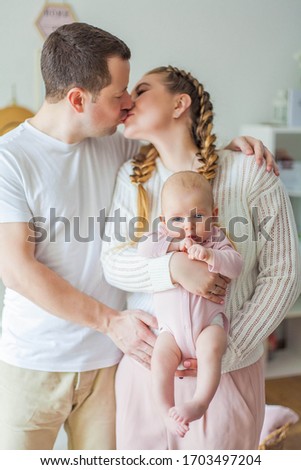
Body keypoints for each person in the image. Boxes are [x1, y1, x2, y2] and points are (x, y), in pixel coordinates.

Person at [0, 22, 279, 450]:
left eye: (134, 91)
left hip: (113, 362)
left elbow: (184, 153)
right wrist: (119, 315)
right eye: (120, 95)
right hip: (39, 360)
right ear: (78, 99)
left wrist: (242, 146)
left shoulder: (118, 144)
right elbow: (17, 270)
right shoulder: (12, 159)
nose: (128, 103)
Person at [101, 66, 301, 449]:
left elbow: (283, 273)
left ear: (180, 103)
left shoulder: (249, 172)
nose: (127, 101)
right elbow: (112, 260)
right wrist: (172, 269)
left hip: (228, 375)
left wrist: (228, 349)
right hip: (146, 373)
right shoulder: (132, 178)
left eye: (141, 91)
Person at [137, 170, 243, 438]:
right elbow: (143, 250)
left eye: (197, 216)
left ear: (213, 215)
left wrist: (211, 255)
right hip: (170, 330)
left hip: (209, 325)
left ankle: (199, 402)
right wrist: (173, 246)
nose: (188, 226)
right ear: (163, 222)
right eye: (177, 219)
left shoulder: (216, 239)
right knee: (160, 361)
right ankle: (165, 410)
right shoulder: (162, 238)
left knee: (211, 350)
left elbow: (236, 266)